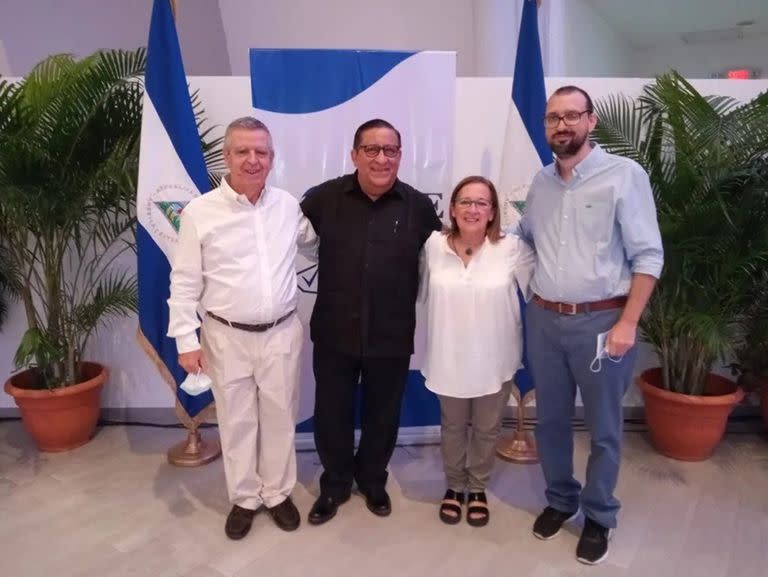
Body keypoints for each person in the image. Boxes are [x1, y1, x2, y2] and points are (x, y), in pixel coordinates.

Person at [520, 86, 663, 565]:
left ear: (591, 121)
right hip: (544, 320)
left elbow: (648, 256)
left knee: (603, 427)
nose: (561, 126)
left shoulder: (625, 176)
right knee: (552, 420)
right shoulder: (539, 182)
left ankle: (599, 514)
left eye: (571, 116)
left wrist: (628, 322)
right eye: (553, 118)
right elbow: (524, 242)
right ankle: (561, 499)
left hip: (603, 321)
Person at [167, 117, 307, 540]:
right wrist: (185, 340)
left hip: (282, 332)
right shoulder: (199, 212)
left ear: (272, 158)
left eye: (261, 152)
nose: (252, 160)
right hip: (225, 335)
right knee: (237, 419)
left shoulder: (288, 206)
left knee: (281, 417)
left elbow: (321, 241)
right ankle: (245, 498)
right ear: (226, 157)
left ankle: (278, 493)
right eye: (242, 151)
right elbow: (185, 279)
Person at [300, 118, 442, 525]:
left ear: (400, 155)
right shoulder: (323, 200)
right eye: (372, 149)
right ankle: (335, 484)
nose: (382, 158)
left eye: (390, 150)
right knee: (331, 413)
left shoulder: (418, 206)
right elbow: (281, 239)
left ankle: (373, 480)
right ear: (355, 154)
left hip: (391, 335)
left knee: (384, 413)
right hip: (334, 332)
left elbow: (445, 259)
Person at [420, 176, 534, 527]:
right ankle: (455, 486)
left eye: (481, 203)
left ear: (492, 212)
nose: (472, 209)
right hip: (447, 356)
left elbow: (542, 292)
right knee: (452, 426)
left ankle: (478, 487)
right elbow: (414, 290)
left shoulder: (513, 248)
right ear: (452, 208)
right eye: (465, 201)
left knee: (486, 429)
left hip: (495, 359)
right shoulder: (432, 246)